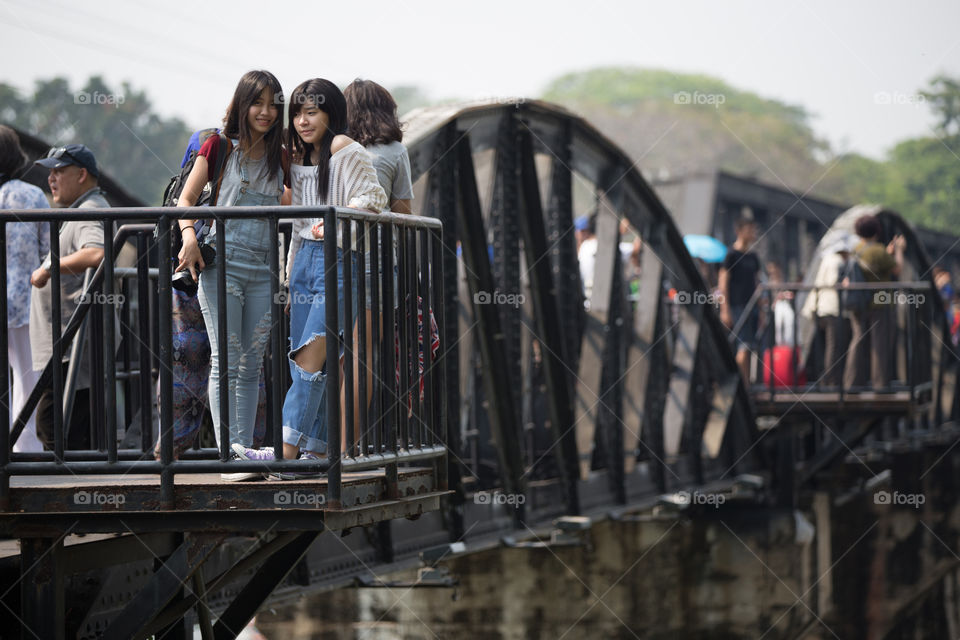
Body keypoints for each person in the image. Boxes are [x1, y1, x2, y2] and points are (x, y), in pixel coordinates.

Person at [233, 78, 386, 473]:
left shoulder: (342, 147)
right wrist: (289, 279)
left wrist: (331, 225)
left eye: (311, 112)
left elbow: (373, 199)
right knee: (305, 357)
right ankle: (316, 452)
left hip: (339, 259)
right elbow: (300, 225)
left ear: (331, 113)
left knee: (309, 357)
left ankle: (282, 452)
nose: (302, 120)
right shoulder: (301, 158)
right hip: (303, 265)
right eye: (297, 113)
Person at [176, 70, 290, 480]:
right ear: (241, 105)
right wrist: (188, 235)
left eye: (273, 104)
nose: (265, 111)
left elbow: (298, 201)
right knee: (226, 360)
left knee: (251, 363)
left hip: (262, 271)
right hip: (220, 266)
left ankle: (245, 453)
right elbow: (186, 199)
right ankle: (230, 458)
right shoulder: (219, 146)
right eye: (257, 103)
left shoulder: (281, 157)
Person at [155, 129, 269, 460]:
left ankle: (176, 451)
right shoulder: (220, 146)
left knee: (191, 366)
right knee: (241, 365)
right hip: (216, 267)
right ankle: (243, 450)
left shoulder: (209, 145)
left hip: (191, 277)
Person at [29, 143, 107, 450]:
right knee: (62, 431)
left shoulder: (89, 211)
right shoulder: (84, 209)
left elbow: (98, 253)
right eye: (50, 172)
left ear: (82, 174)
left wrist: (49, 269)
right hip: (67, 347)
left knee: (55, 428)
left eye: (59, 171)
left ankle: (71, 493)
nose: (52, 179)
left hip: (72, 348)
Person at [0, 126, 50, 452]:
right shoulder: (32, 194)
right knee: (27, 374)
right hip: (25, 296)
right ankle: (23, 447)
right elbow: (49, 247)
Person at [843, 214, 905, 390]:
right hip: (879, 304)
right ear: (876, 231)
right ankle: (880, 385)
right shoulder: (878, 250)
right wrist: (899, 250)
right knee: (880, 345)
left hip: (858, 303)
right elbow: (897, 269)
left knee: (858, 341)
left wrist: (887, 253)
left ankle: (852, 383)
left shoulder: (856, 249)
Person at [801, 234, 855, 387]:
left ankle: (824, 378)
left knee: (825, 346)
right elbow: (833, 281)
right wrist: (845, 283)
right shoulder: (837, 261)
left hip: (820, 308)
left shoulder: (827, 259)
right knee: (834, 347)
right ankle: (831, 381)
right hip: (832, 308)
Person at [719, 217, 762, 383]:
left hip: (752, 307)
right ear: (739, 231)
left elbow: (757, 283)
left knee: (749, 346)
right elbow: (723, 283)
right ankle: (738, 384)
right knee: (743, 346)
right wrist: (725, 309)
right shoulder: (731, 255)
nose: (753, 233)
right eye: (749, 229)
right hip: (736, 306)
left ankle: (746, 385)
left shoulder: (753, 257)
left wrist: (761, 309)